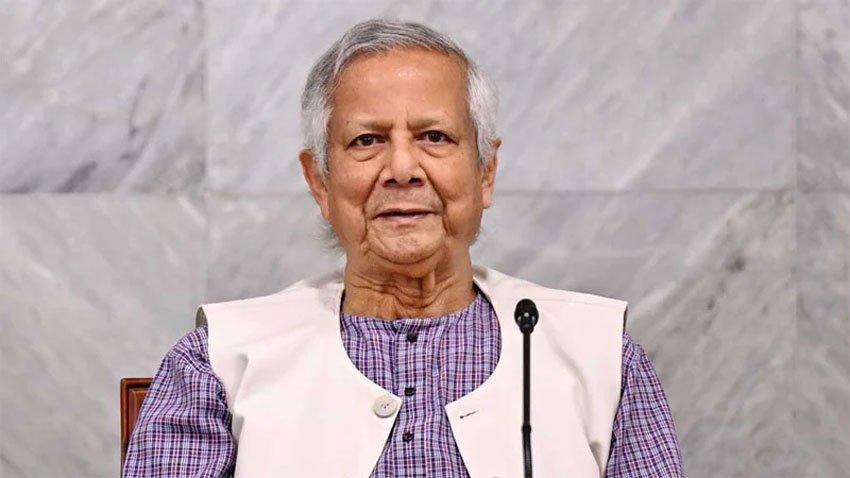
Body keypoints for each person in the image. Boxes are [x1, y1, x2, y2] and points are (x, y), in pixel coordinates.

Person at [123, 18, 684, 477]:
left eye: (434, 137)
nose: (402, 169)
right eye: (367, 140)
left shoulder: (602, 357)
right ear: (319, 181)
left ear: (485, 172)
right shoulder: (216, 363)